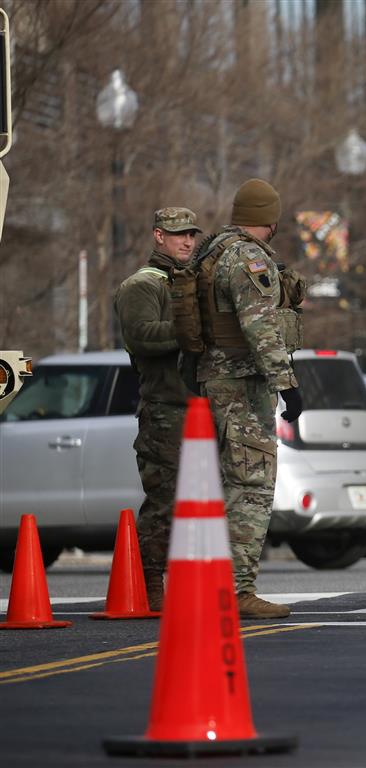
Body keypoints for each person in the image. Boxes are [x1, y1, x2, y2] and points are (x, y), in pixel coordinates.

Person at [195, 179, 303, 620]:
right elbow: (260, 325)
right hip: (241, 386)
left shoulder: (212, 251)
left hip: (214, 381)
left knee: (225, 485)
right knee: (251, 486)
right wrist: (287, 382)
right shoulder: (249, 257)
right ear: (270, 220)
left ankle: (213, 584)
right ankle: (237, 590)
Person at [113, 207, 202, 611]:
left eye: (191, 234)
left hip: (200, 408)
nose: (187, 241)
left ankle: (193, 582)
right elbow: (143, 336)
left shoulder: (194, 281)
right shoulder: (142, 286)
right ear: (158, 236)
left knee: (200, 504)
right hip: (166, 409)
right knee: (165, 501)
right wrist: (190, 332)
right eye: (178, 234)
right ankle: (150, 582)